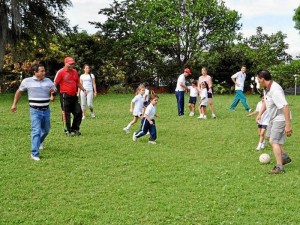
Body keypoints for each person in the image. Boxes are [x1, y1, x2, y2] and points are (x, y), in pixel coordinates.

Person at [11, 64, 56, 161]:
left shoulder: (48, 81)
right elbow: (19, 92)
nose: (44, 72)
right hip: (35, 110)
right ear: (35, 72)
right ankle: (34, 153)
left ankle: (39, 142)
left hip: (46, 109)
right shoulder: (27, 81)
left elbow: (54, 90)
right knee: (36, 131)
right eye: (42, 71)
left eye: (44, 71)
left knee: (46, 130)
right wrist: (14, 104)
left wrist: (53, 92)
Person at [256, 69, 292, 174]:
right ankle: (284, 156)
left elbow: (285, 106)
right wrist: (260, 114)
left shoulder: (275, 90)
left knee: (274, 141)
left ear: (262, 79)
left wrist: (288, 125)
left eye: (258, 79)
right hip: (273, 117)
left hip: (280, 118)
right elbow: (265, 102)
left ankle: (279, 167)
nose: (258, 81)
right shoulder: (266, 88)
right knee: (268, 137)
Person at [54, 57, 87, 136]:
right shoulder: (60, 72)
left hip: (74, 96)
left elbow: (78, 82)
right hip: (65, 96)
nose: (72, 65)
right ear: (65, 63)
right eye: (70, 64)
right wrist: (52, 95)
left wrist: (83, 89)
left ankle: (75, 129)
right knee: (66, 113)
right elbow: (54, 84)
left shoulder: (75, 71)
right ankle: (67, 130)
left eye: (73, 63)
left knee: (78, 112)